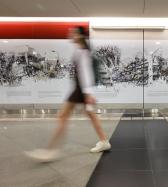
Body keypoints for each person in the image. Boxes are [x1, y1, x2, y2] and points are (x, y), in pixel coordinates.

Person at [25, 26, 111, 162]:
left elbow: (86, 74)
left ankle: (50, 150)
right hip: (81, 90)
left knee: (63, 117)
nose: (71, 34)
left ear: (81, 36)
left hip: (81, 90)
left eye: (74, 33)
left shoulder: (83, 52)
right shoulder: (81, 51)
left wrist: (88, 94)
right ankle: (104, 141)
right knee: (89, 116)